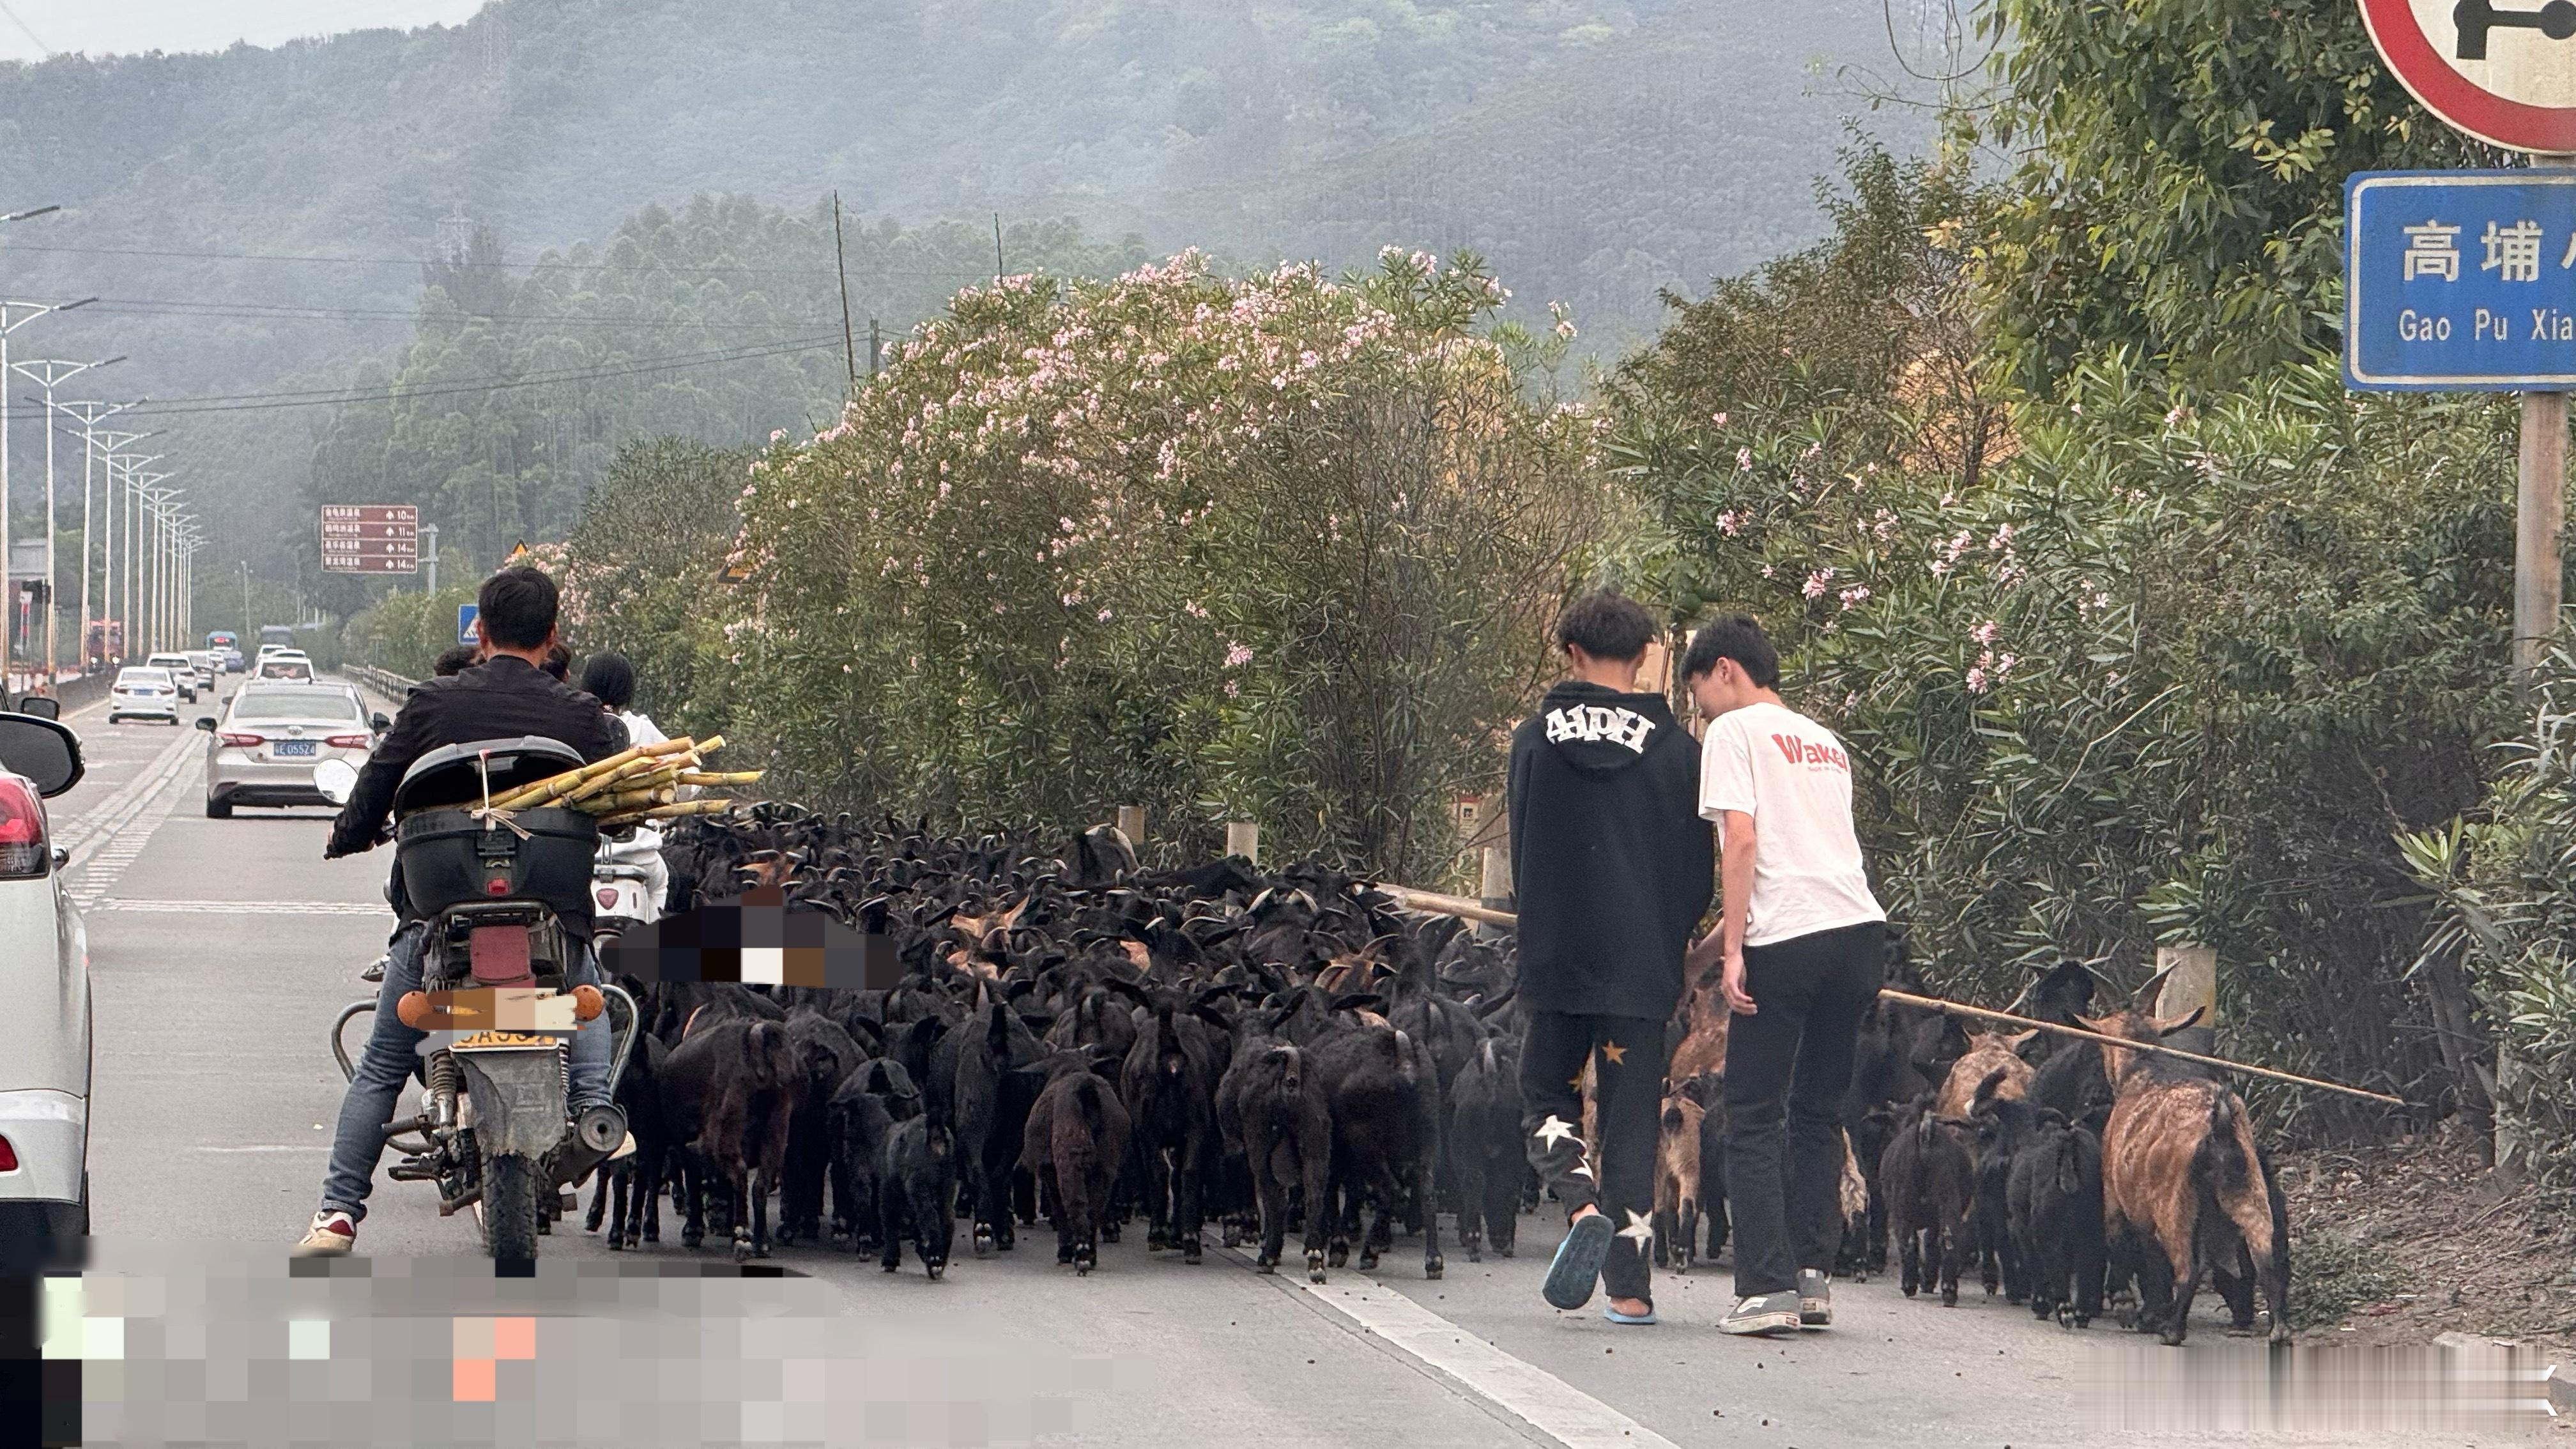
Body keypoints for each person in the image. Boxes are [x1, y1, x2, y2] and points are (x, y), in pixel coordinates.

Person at [297, 566, 630, 1255]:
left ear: (480, 631)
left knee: (384, 1066)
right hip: (551, 918)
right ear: (553, 634)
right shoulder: (579, 715)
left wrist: (346, 837)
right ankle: (599, 1110)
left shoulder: (433, 706)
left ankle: (337, 1214)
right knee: (584, 983)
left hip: (435, 922)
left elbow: (375, 786)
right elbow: (621, 803)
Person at [1506, 589, 1713, 1325]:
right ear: (1646, 656)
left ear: (1571, 654)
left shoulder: (1533, 741)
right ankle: (1629, 1290)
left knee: (1543, 1094)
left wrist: (1536, 926)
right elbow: (1697, 872)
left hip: (1557, 957)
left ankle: (1579, 1200)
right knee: (1631, 1121)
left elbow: (1523, 849)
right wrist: (1672, 940)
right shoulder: (1680, 754)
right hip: (1641, 968)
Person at [1680, 614, 1887, 1337]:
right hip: (1859, 935)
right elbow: (1804, 865)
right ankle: (1810, 1278)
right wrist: (1708, 956)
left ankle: (1762, 1287)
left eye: (1700, 691)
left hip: (1787, 944)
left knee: (1753, 1111)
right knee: (1816, 1113)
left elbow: (1743, 844)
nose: (1701, 708)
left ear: (1726, 670)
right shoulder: (1825, 743)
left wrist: (1736, 952)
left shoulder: (1733, 734)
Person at [576, 651, 677, 912]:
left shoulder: (573, 726)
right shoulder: (644, 730)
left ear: (585, 684)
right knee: (660, 885)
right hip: (639, 857)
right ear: (627, 689)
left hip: (581, 855)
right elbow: (687, 785)